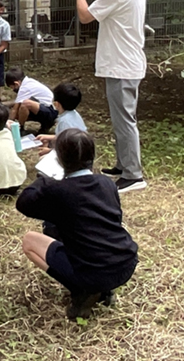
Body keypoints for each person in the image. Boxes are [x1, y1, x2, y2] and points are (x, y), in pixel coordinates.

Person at [16, 129, 139, 321]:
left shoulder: (58, 191)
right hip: (126, 264)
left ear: (59, 159)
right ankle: (104, 291)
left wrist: (44, 180)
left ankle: (82, 289)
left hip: (92, 272)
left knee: (30, 241)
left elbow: (23, 203)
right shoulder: (107, 183)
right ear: (92, 155)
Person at [73, 0, 147, 193]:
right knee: (122, 119)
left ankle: (133, 175)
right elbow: (113, 7)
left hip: (121, 66)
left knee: (125, 121)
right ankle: (124, 164)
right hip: (127, 63)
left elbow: (85, 16)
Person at [35, 83, 87, 153]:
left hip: (74, 154)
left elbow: (68, 147)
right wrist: (46, 137)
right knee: (46, 142)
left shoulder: (64, 121)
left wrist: (49, 151)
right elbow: (63, 137)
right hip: (80, 149)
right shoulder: (73, 114)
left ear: (57, 104)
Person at [5, 68, 57, 135]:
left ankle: (21, 128)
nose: (13, 90)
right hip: (44, 108)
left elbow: (15, 109)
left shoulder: (25, 88)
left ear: (16, 84)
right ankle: (44, 126)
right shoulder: (28, 82)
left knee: (25, 104)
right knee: (20, 110)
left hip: (50, 112)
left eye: (12, 87)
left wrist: (10, 123)